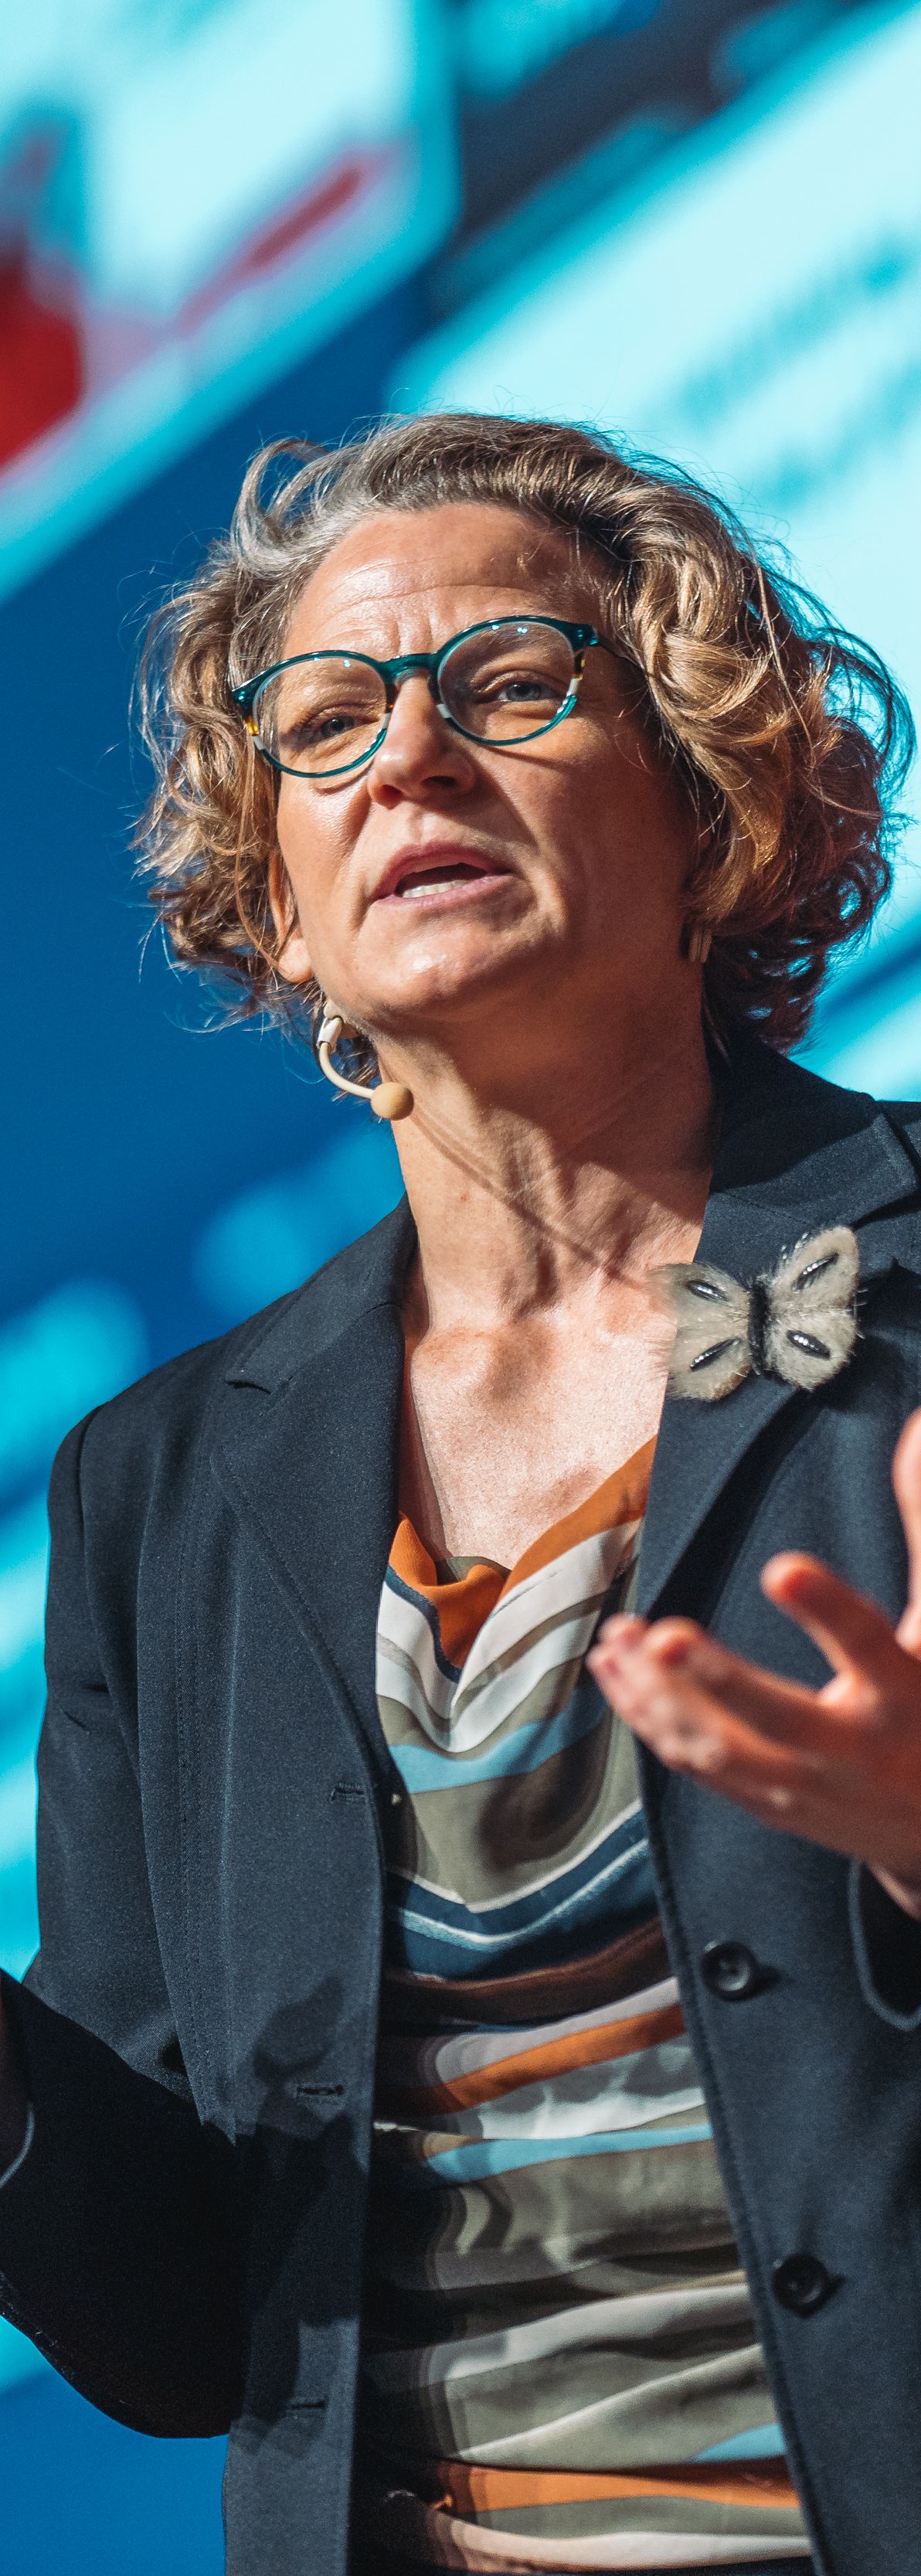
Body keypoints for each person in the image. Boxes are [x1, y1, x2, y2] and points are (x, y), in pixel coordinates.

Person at [2, 411, 921, 2576]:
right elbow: (185, 2332)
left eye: (509, 685)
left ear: (714, 797)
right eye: (325, 726)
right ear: (279, 903)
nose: (409, 757)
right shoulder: (158, 1486)